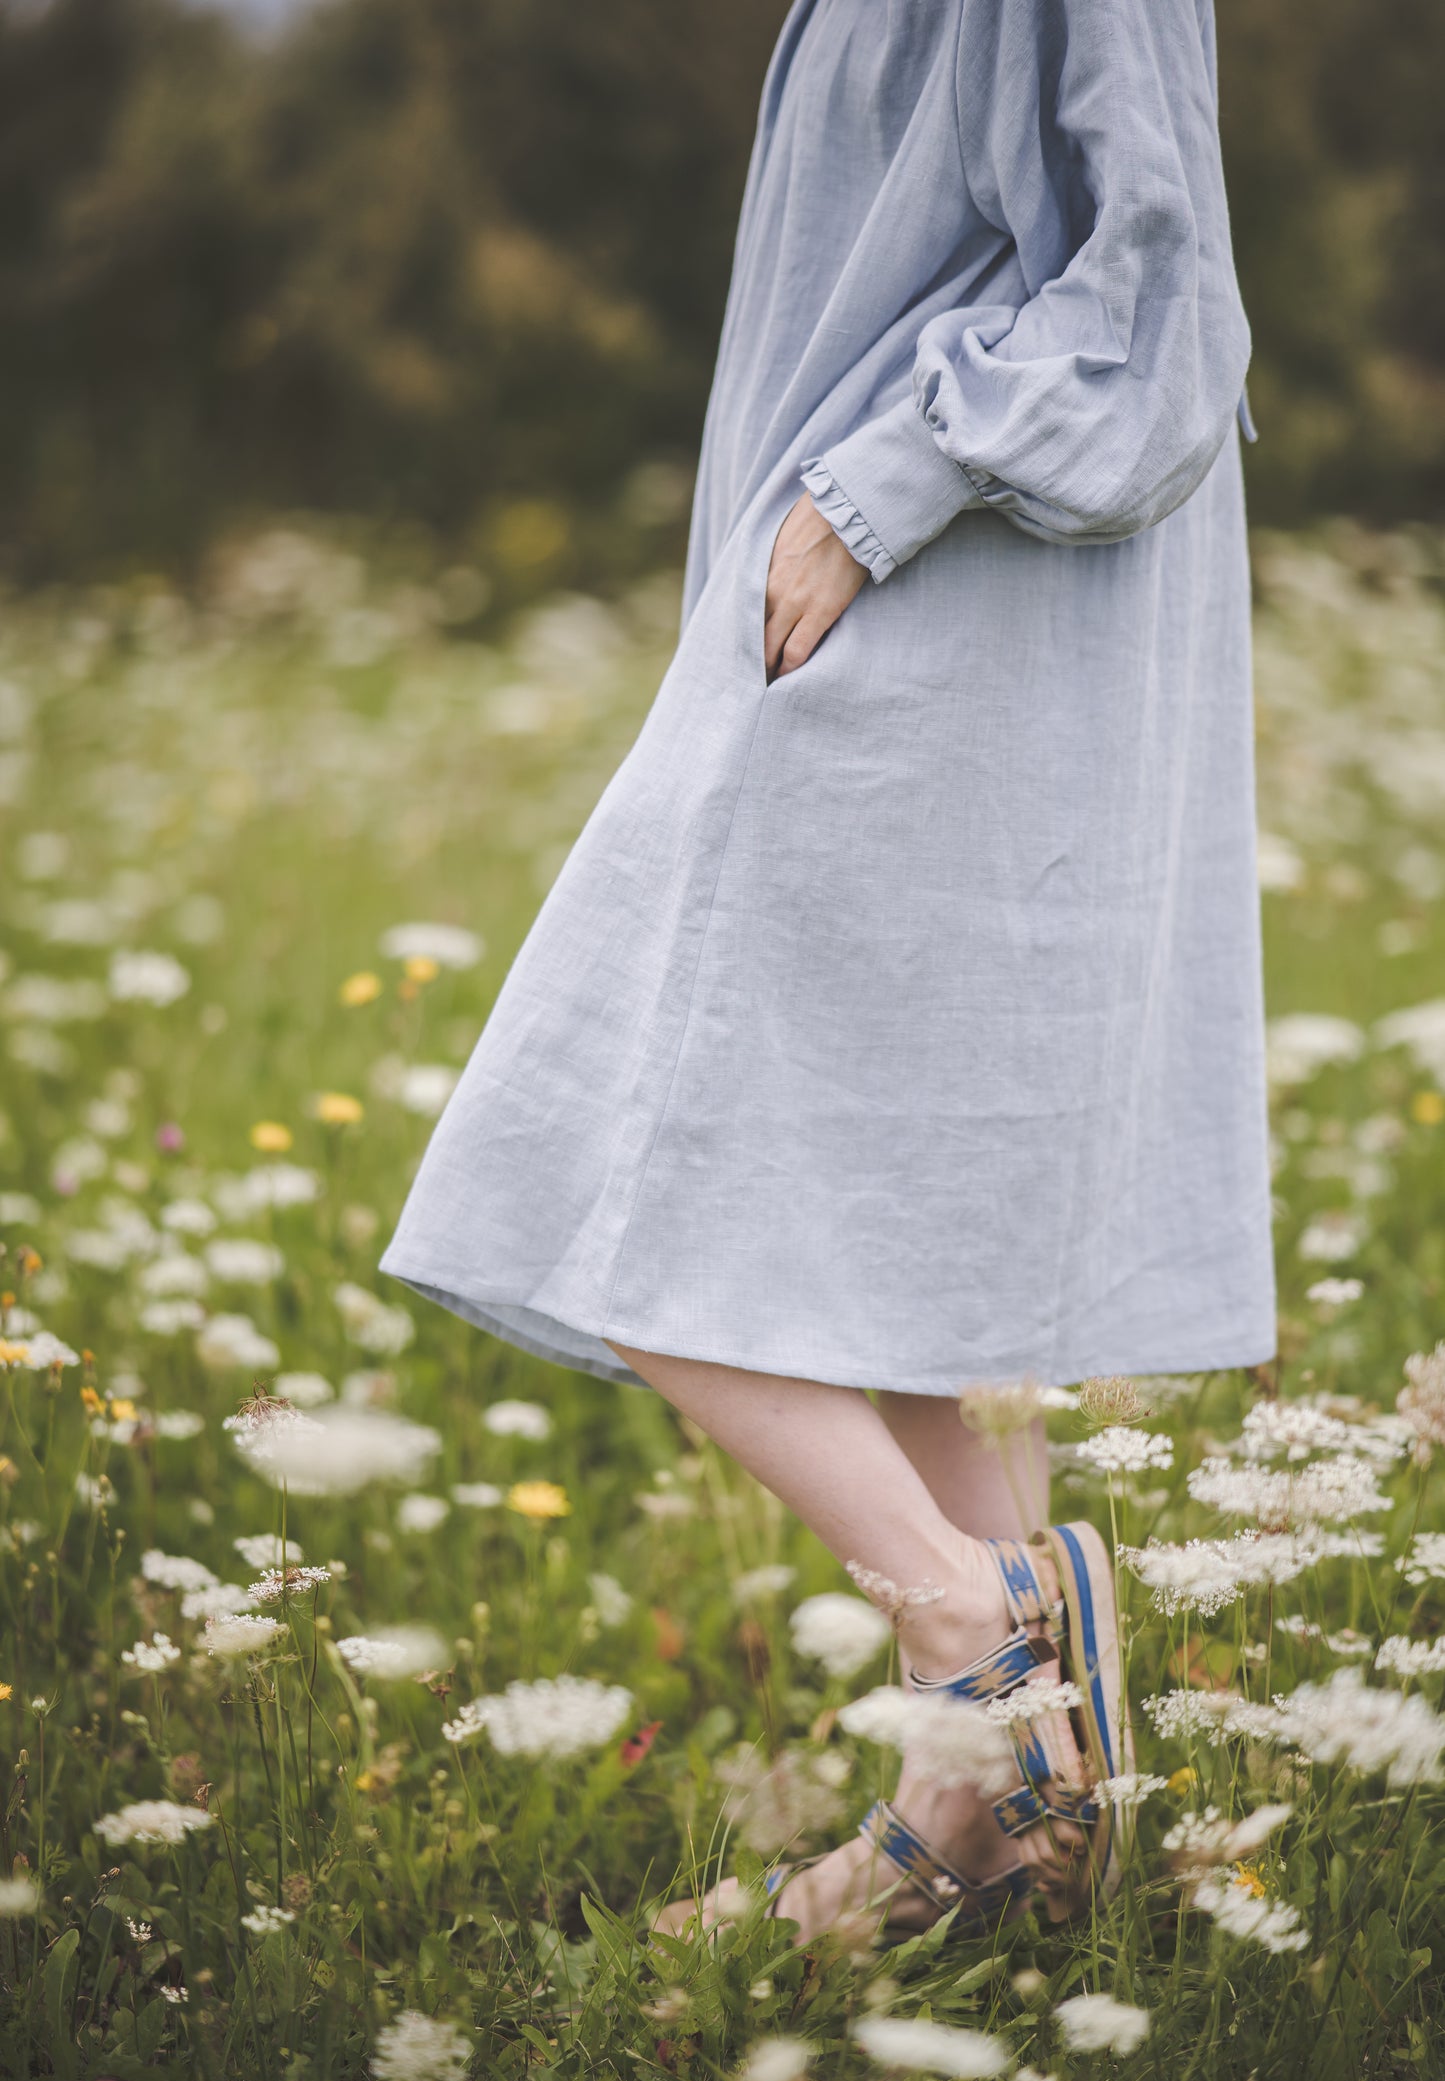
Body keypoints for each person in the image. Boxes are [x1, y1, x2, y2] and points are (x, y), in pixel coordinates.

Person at [380, 0, 1275, 1939]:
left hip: (941, 583)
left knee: (614, 1150)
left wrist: (877, 489)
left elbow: (1160, 304)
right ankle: (993, 1832)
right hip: (884, 583)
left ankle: (976, 1632)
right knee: (914, 1249)